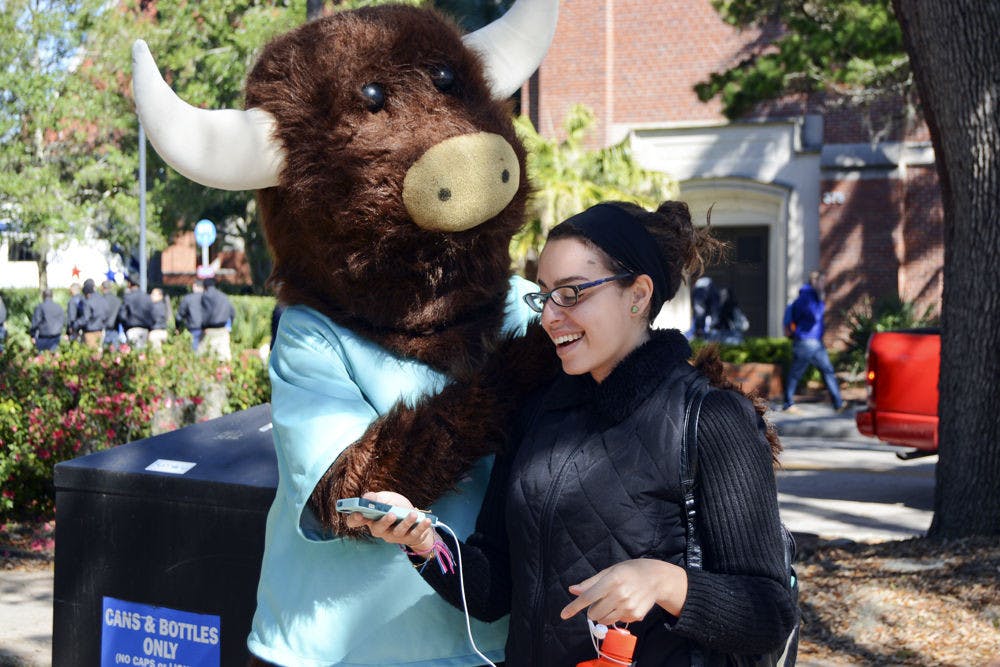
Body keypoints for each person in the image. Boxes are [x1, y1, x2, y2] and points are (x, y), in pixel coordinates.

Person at [349, 201, 798, 665]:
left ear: (638, 296)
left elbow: (768, 615)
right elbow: (492, 591)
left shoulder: (712, 417)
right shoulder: (537, 409)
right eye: (545, 295)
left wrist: (664, 582)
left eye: (572, 293)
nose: (549, 317)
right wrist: (424, 540)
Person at [782, 270, 845, 412]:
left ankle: (838, 404)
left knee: (827, 370)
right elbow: (814, 317)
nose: (824, 285)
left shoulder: (813, 297)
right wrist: (821, 301)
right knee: (796, 373)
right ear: (814, 282)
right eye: (822, 281)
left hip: (815, 342)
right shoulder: (807, 297)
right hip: (805, 341)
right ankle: (788, 404)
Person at [199, 277, 235, 360]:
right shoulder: (223, 296)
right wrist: (229, 325)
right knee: (224, 357)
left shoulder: (204, 296)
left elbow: (203, 313)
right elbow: (232, 312)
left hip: (208, 331)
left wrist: (202, 326)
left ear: (205, 287)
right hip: (223, 330)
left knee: (205, 357)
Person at [119, 277, 154, 349]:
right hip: (145, 329)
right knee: (142, 353)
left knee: (134, 353)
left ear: (129, 284)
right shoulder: (147, 297)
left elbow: (122, 315)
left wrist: (125, 325)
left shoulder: (128, 297)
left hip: (132, 328)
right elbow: (152, 314)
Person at [75, 278, 108, 350]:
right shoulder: (102, 299)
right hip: (101, 331)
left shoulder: (88, 301)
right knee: (99, 353)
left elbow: (85, 318)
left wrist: (76, 324)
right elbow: (106, 314)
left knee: (91, 356)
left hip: (90, 333)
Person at [176, 281, 204, 350]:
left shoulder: (188, 298)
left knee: (194, 352)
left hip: (193, 328)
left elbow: (179, 316)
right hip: (208, 329)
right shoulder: (209, 298)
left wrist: (178, 327)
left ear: (194, 286)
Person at [101, 280, 124, 351]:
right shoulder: (117, 300)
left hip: (103, 329)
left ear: (102, 288)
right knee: (115, 354)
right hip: (115, 329)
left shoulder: (101, 300)